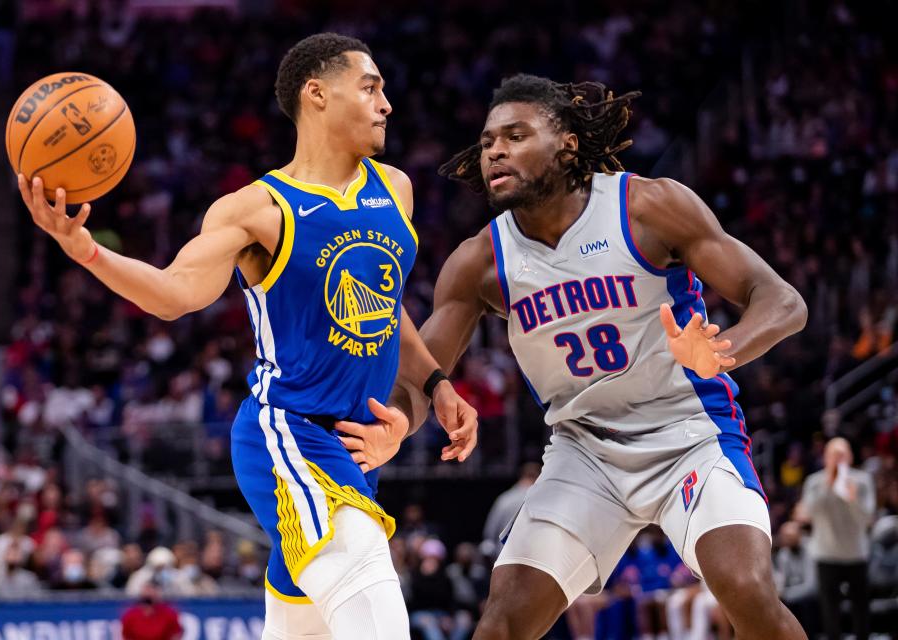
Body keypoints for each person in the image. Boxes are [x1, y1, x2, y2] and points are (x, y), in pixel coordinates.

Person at [17, 33, 478, 640]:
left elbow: (385, 308)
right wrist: (86, 251)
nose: (386, 103)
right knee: (374, 599)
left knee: (300, 627)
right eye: (370, 87)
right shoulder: (257, 209)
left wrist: (437, 382)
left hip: (355, 451)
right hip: (287, 433)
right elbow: (175, 292)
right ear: (317, 94)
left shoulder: (394, 189)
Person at [348, 74, 809, 638]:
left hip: (687, 432)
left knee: (747, 590)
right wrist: (400, 423)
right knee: (502, 622)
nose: (495, 150)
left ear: (566, 141)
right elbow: (422, 379)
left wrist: (724, 350)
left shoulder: (647, 206)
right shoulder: (480, 262)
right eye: (489, 140)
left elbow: (782, 301)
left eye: (516, 135)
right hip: (584, 450)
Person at [802, 437, 876, 640]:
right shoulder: (814, 482)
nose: (838, 459)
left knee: (861, 611)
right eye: (833, 455)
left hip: (856, 554)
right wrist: (828, 484)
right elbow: (808, 513)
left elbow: (867, 518)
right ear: (825, 457)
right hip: (826, 554)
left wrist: (852, 499)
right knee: (830, 613)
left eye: (842, 454)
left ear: (851, 456)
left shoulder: (862, 481)